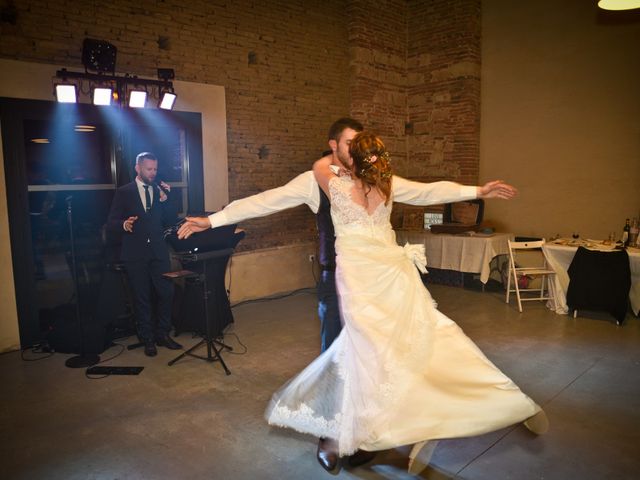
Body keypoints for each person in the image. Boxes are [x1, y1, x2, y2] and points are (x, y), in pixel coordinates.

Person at [178, 122, 539, 472]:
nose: (357, 150)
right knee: (339, 354)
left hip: (384, 275)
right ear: (334, 145)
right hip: (337, 280)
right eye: (350, 143)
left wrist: (476, 191)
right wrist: (214, 220)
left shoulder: (381, 181)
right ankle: (331, 437)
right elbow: (266, 201)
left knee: (385, 353)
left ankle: (372, 430)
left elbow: (427, 191)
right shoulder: (315, 179)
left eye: (361, 142)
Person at [107, 152, 182, 357]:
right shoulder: (125, 192)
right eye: (149, 169)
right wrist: (124, 224)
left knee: (166, 293)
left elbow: (171, 220)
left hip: (158, 251)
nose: (153, 173)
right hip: (135, 253)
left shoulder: (159, 190)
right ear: (138, 168)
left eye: (155, 169)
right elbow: (111, 222)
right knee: (141, 297)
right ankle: (147, 338)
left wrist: (167, 199)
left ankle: (163, 333)